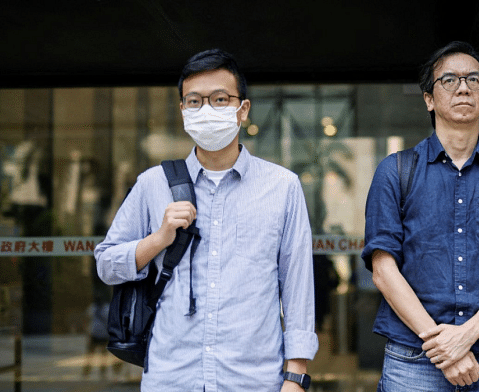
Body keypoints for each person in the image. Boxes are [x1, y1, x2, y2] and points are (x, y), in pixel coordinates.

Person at [95, 48, 318, 391]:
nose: (207, 110)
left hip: (253, 379)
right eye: (195, 101)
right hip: (172, 377)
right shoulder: (152, 184)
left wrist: (296, 376)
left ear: (242, 110)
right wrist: (159, 239)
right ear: (183, 110)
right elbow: (107, 264)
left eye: (219, 99)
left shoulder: (282, 186)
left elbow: (297, 285)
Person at [361, 41, 479, 391]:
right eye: (449, 80)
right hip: (413, 358)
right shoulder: (396, 171)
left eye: (474, 79)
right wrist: (445, 347)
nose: (463, 87)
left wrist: (466, 336)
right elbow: (383, 269)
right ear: (429, 99)